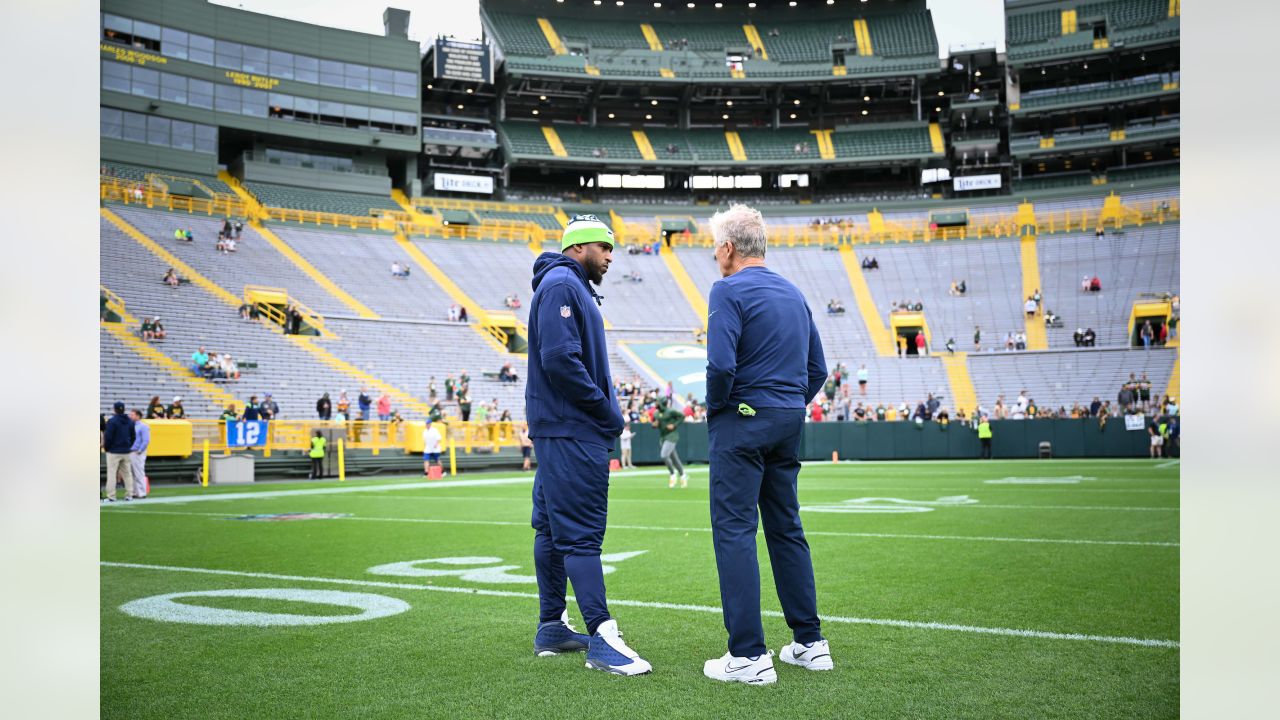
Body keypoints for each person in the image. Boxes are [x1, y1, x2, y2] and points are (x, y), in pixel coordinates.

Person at [703, 204, 829, 686]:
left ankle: (749, 655)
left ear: (730, 248)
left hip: (742, 422)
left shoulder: (727, 289)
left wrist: (719, 409)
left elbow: (719, 367)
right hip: (786, 420)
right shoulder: (794, 293)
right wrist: (787, 405)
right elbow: (817, 369)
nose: (715, 256)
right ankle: (810, 643)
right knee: (786, 528)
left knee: (734, 531)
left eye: (716, 247)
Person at [525, 214, 649, 675]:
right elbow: (559, 358)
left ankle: (552, 625)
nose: (612, 257)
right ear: (580, 247)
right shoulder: (562, 284)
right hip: (573, 428)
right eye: (605, 247)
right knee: (580, 534)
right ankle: (602, 636)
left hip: (561, 428)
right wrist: (605, 410)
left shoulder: (567, 285)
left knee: (552, 530)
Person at [102, 401, 135, 503]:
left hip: (114, 451)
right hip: (126, 451)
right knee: (127, 474)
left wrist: (107, 448)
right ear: (124, 409)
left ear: (114, 409)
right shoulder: (130, 421)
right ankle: (129, 495)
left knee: (112, 474)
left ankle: (111, 496)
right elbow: (133, 436)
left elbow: (108, 437)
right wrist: (128, 446)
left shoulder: (112, 421)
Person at [652, 398, 688, 488]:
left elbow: (682, 416)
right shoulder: (656, 413)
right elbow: (656, 423)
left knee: (664, 455)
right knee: (675, 459)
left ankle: (672, 474)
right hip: (663, 437)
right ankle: (683, 476)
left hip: (672, 436)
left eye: (658, 402)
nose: (656, 404)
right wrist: (654, 424)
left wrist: (674, 425)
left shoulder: (671, 411)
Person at [129, 409, 150, 499]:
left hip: (137, 452)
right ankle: (134, 492)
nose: (131, 416)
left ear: (138, 416)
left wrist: (140, 450)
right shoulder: (130, 426)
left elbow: (146, 440)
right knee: (132, 473)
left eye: (133, 415)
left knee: (139, 472)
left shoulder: (143, 426)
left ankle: (141, 492)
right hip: (130, 451)